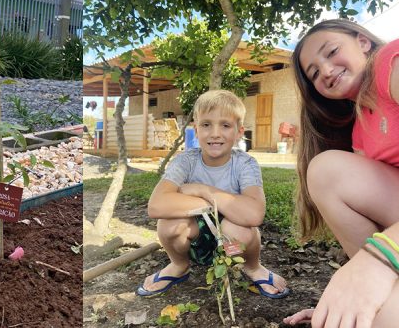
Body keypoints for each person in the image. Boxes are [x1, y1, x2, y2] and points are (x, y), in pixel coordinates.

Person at [284, 19, 399, 327]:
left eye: (331, 51)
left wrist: (380, 258)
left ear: (362, 41)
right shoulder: (359, 136)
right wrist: (347, 293)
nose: (326, 70)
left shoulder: (391, 62)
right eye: (315, 73)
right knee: (324, 171)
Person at [136, 89, 290, 298]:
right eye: (206, 124)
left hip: (233, 247)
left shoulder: (245, 164)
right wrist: (226, 203)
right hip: (195, 238)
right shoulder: (186, 161)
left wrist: (203, 190)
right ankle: (179, 265)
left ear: (239, 132)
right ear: (196, 130)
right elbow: (157, 206)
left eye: (225, 125)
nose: (215, 133)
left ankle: (253, 267)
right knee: (169, 225)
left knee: (240, 230)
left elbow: (254, 214)